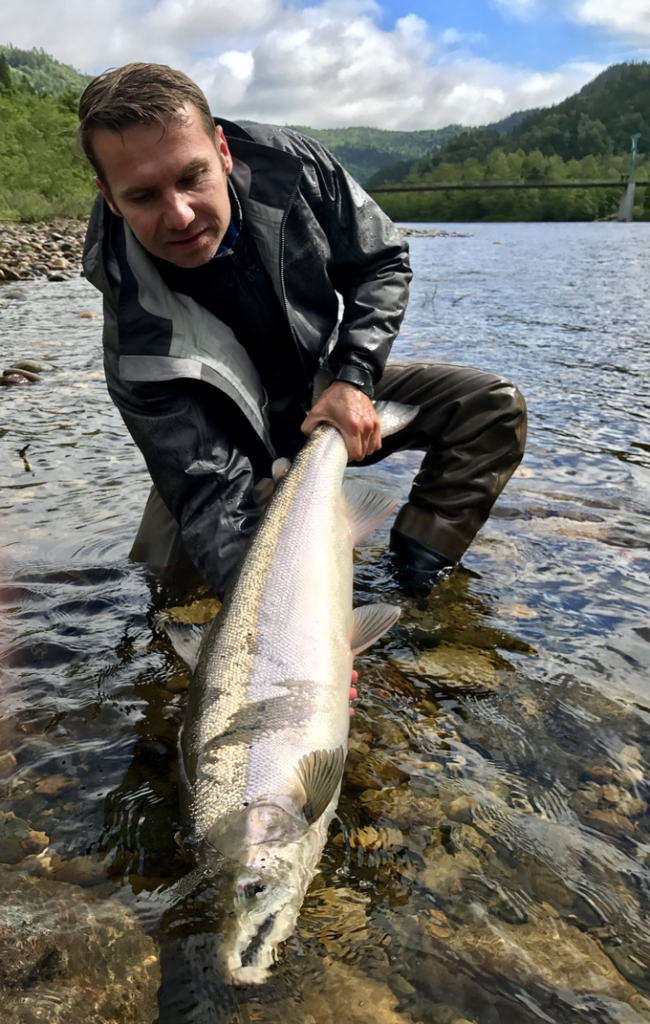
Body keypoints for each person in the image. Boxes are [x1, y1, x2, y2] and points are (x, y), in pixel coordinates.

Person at [78, 63, 527, 603]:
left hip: (323, 397)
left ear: (222, 150)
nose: (179, 215)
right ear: (109, 196)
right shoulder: (132, 335)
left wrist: (355, 376)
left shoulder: (297, 169)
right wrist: (279, 622)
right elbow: (207, 492)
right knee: (171, 598)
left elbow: (381, 261)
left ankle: (411, 589)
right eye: (144, 197)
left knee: (489, 408)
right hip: (222, 449)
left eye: (191, 177)